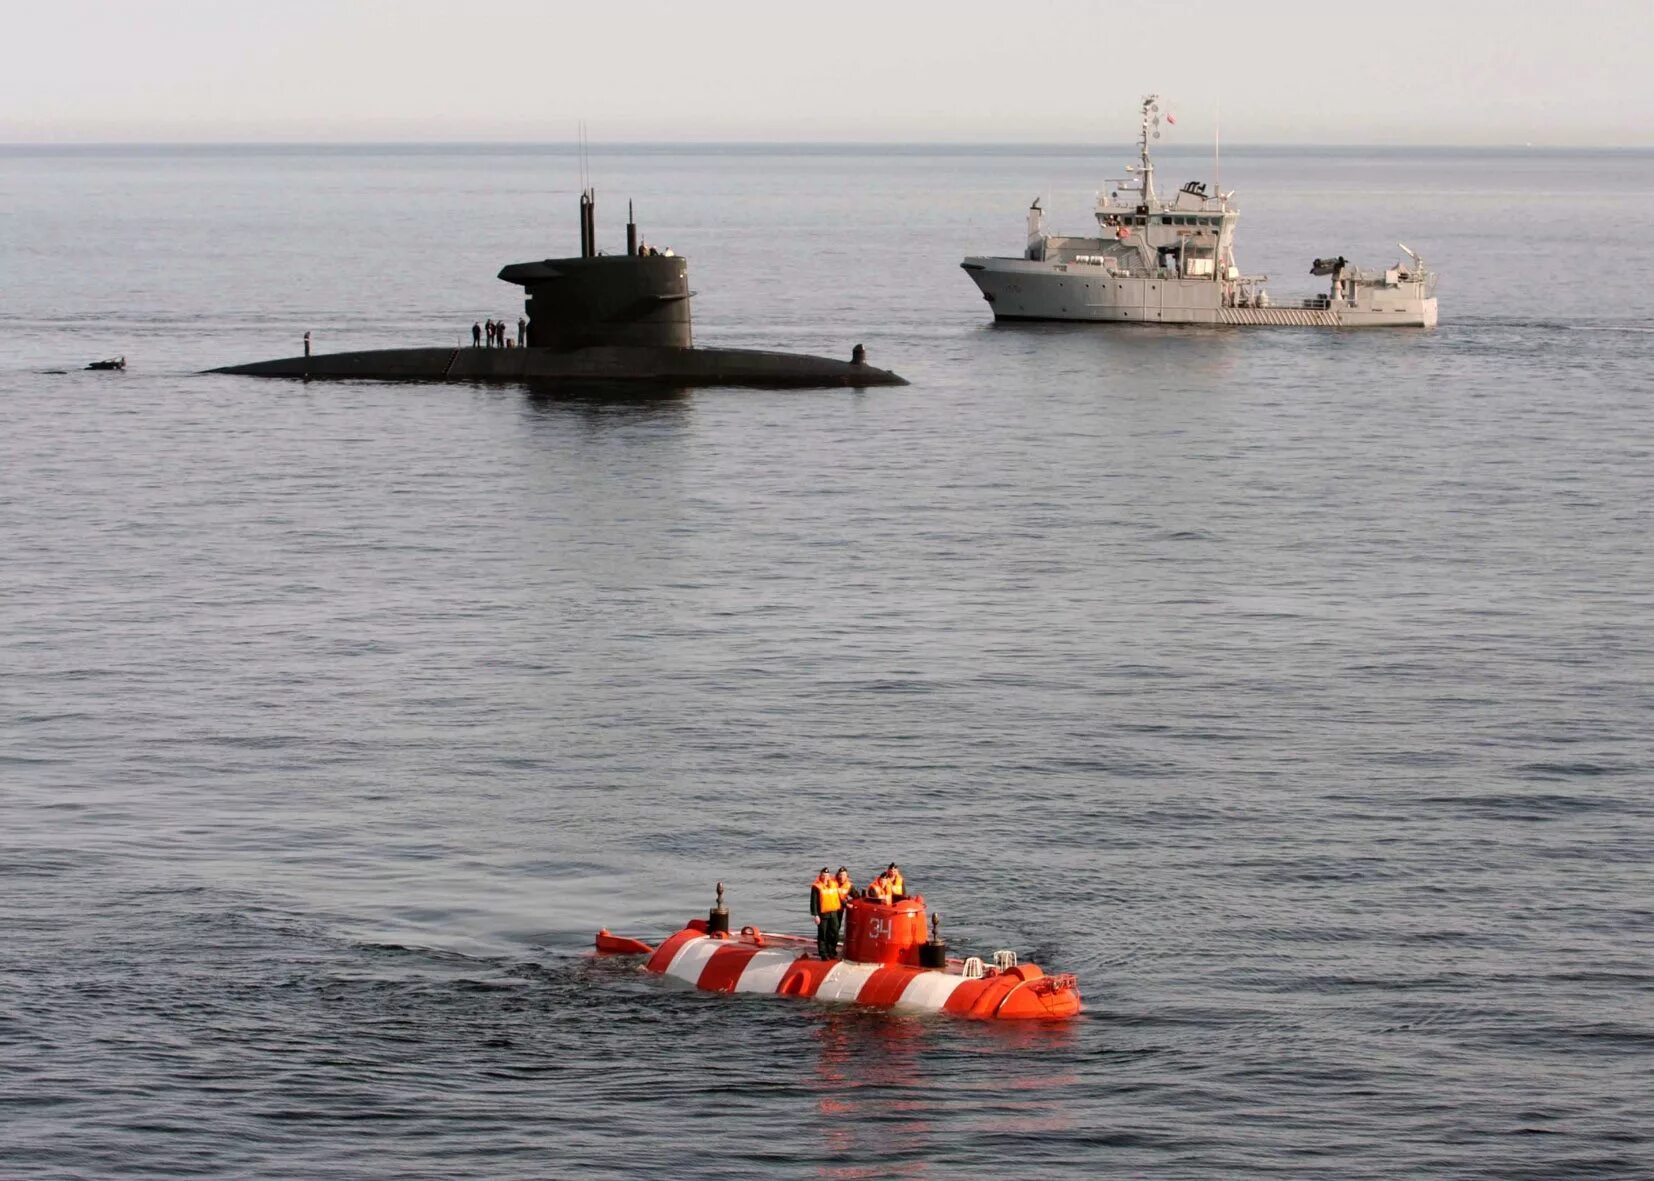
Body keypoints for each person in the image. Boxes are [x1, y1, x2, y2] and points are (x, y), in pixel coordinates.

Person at [810, 867, 844, 959]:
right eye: (823, 875)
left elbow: (839, 897)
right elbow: (814, 902)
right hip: (823, 914)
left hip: (833, 913)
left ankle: (831, 950)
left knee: (834, 933)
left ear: (829, 876)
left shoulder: (834, 884)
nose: (825, 877)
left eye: (826, 875)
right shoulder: (816, 887)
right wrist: (815, 915)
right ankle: (823, 953)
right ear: (820, 876)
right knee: (822, 934)